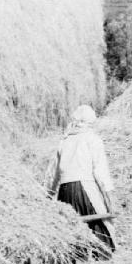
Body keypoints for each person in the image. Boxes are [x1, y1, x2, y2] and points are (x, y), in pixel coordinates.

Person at [47, 105, 116, 253]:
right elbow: (101, 172)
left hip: (65, 192)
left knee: (72, 231)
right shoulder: (93, 139)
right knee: (99, 229)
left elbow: (53, 174)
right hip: (84, 189)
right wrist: (110, 200)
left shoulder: (64, 142)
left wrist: (48, 195)